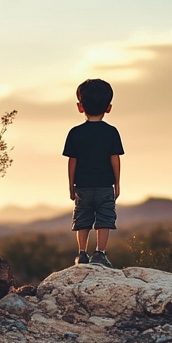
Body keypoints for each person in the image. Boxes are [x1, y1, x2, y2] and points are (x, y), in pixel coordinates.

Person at [62, 78, 124, 268]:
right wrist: (117, 183)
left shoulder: (75, 133)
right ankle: (100, 253)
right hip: (105, 186)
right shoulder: (111, 132)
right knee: (104, 219)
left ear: (80, 107)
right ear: (109, 107)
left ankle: (82, 254)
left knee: (83, 219)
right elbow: (115, 159)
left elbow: (72, 162)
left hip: (83, 187)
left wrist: (71, 186)